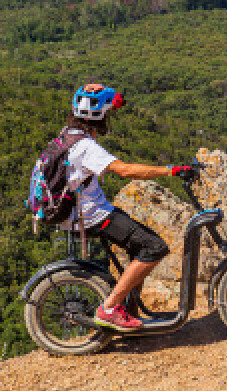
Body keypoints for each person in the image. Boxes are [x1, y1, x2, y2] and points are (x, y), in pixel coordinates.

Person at [57, 84, 195, 331]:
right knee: (154, 247)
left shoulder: (68, 135)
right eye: (108, 113)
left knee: (138, 245)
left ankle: (127, 310)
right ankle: (109, 309)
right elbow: (125, 170)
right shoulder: (86, 146)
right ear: (99, 115)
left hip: (78, 212)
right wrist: (171, 170)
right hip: (90, 215)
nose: (109, 118)